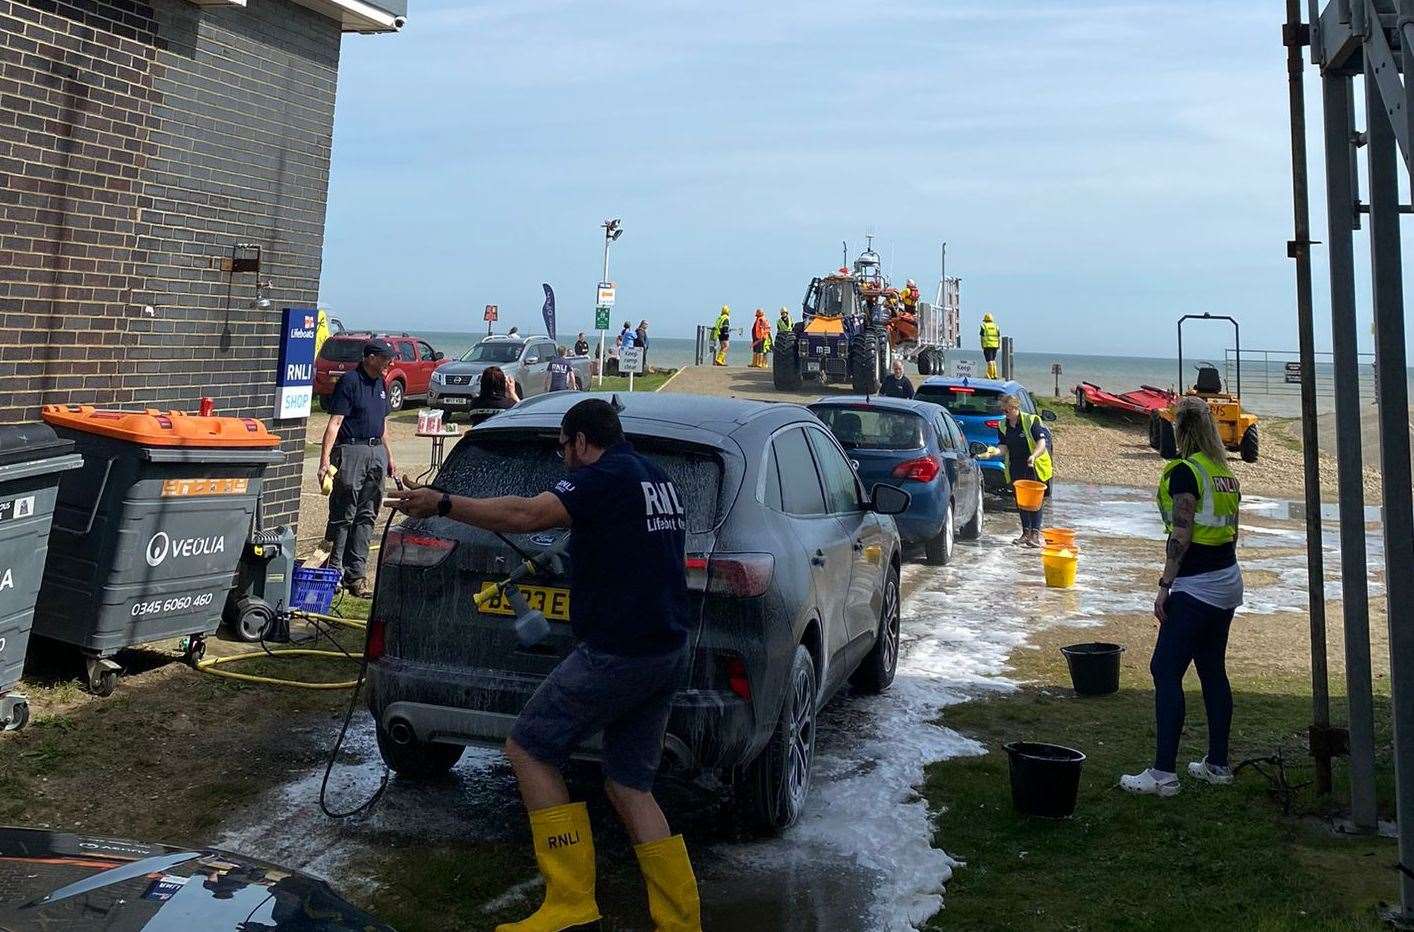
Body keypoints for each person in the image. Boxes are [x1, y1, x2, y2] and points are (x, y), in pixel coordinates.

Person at [385, 399, 701, 932]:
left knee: (529, 748)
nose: (564, 460)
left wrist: (441, 503)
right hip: (663, 649)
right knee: (629, 786)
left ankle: (570, 903)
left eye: (563, 448)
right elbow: (630, 546)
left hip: (618, 651)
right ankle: (680, 921)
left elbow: (526, 514)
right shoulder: (656, 478)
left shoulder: (604, 477)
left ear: (581, 441)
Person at [1121, 398, 1243, 798]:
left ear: (1180, 430)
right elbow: (1232, 530)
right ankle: (1218, 764)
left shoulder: (1186, 473)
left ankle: (1163, 773)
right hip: (1227, 579)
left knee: (1165, 669)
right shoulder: (1223, 472)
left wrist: (1165, 584)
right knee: (1211, 669)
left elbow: (1181, 533)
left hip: (1197, 585)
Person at [318, 340, 398, 598]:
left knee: (367, 514)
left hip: (376, 452)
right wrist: (324, 461)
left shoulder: (382, 384)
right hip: (352, 450)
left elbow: (383, 424)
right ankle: (334, 572)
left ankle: (357, 575)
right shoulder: (350, 381)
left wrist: (389, 456)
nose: (390, 363)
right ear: (371, 357)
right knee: (344, 513)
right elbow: (335, 423)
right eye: (386, 358)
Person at [984, 393, 1051, 547]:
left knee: (1034, 500)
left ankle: (1035, 534)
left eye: (1006, 411)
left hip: (1033, 465)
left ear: (1015, 408)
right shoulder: (1003, 425)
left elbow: (1041, 443)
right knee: (1021, 501)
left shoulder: (1031, 420)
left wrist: (1033, 456)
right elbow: (1004, 446)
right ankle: (1025, 532)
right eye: (1003, 411)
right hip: (1015, 465)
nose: (1004, 414)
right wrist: (994, 452)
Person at [979, 312, 1001, 379]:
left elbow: (982, 337)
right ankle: (995, 374)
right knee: (993, 360)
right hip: (995, 345)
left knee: (989, 360)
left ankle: (990, 375)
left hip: (987, 345)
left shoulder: (983, 326)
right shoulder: (996, 326)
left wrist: (982, 345)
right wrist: (999, 345)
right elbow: (998, 337)